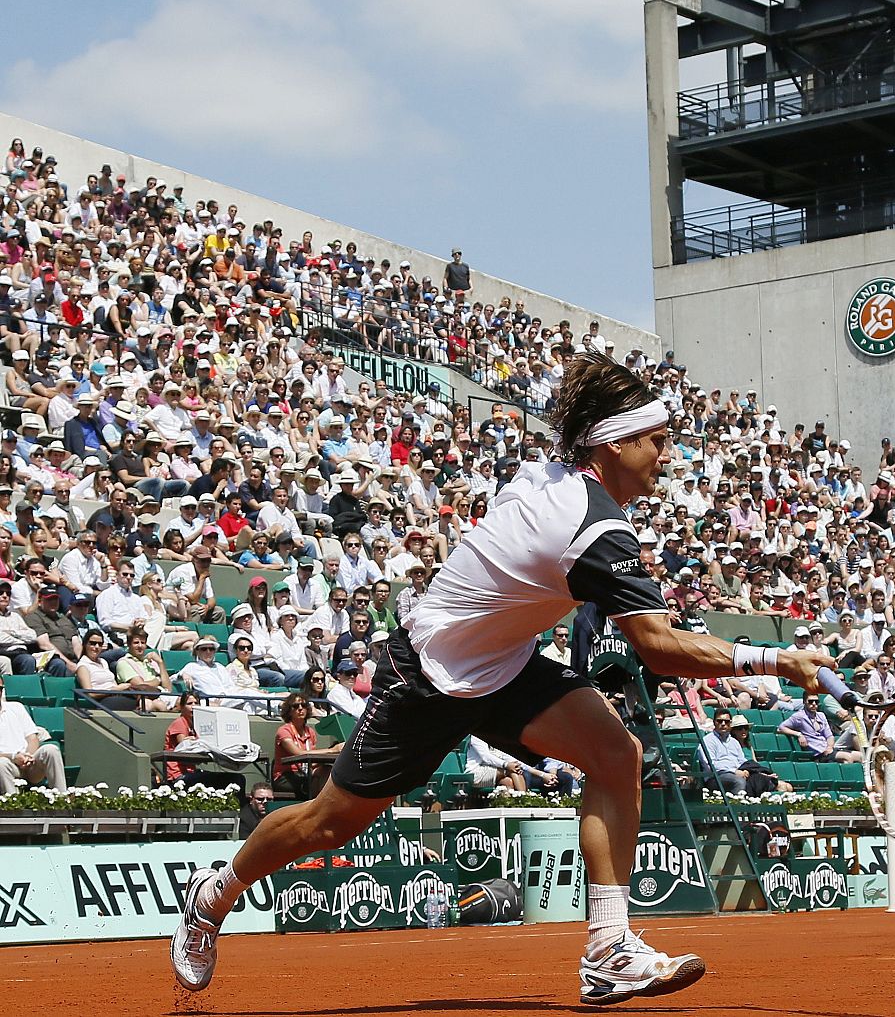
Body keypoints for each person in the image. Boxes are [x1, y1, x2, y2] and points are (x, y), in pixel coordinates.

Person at [171, 354, 832, 1006]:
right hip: (428, 674)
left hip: (506, 665)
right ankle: (213, 894)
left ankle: (607, 949)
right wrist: (777, 660)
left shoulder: (560, 479)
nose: (667, 456)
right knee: (328, 823)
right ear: (613, 442)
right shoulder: (593, 526)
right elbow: (658, 649)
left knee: (615, 753)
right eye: (657, 442)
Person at [0, 679, 67, 793]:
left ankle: (62, 798)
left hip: (29, 763)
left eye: (0, 689)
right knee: (1, 763)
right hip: (8, 765)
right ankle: (13, 806)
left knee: (51, 750)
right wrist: (13, 757)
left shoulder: (16, 707)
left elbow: (32, 738)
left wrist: (28, 758)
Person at [271, 693, 327, 800]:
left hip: (304, 774)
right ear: (289, 710)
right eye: (296, 706)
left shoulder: (310, 732)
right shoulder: (284, 731)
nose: (300, 709)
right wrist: (331, 751)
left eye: (304, 705)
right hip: (285, 777)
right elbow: (299, 753)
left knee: (326, 771)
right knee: (310, 785)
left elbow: (313, 762)